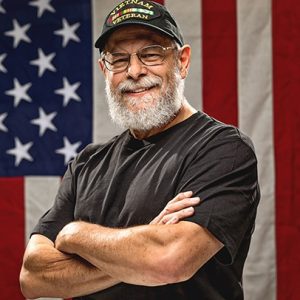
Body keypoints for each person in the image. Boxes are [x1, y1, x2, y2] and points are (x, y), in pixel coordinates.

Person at [19, 1, 260, 299]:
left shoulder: (222, 149)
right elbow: (33, 277)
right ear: (104, 70)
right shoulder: (87, 164)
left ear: (182, 61)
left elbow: (170, 260)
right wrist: (141, 248)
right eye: (118, 59)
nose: (134, 70)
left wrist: (74, 234)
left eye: (151, 54)